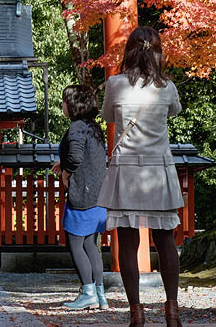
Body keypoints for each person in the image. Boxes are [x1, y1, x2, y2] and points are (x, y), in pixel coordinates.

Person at [97, 26, 184, 327]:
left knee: (128, 242)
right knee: (166, 242)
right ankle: (171, 308)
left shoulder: (115, 84)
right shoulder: (167, 88)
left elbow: (109, 116)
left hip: (127, 171)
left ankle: (136, 310)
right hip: (158, 170)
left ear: (129, 51)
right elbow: (174, 111)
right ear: (157, 52)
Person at [51, 84, 109, 310]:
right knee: (90, 244)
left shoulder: (76, 127)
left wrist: (65, 174)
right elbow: (85, 156)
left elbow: (75, 158)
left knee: (75, 243)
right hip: (98, 193)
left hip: (82, 194)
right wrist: (63, 162)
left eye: (64, 101)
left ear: (73, 105)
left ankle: (87, 293)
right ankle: (100, 294)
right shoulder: (93, 127)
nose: (62, 105)